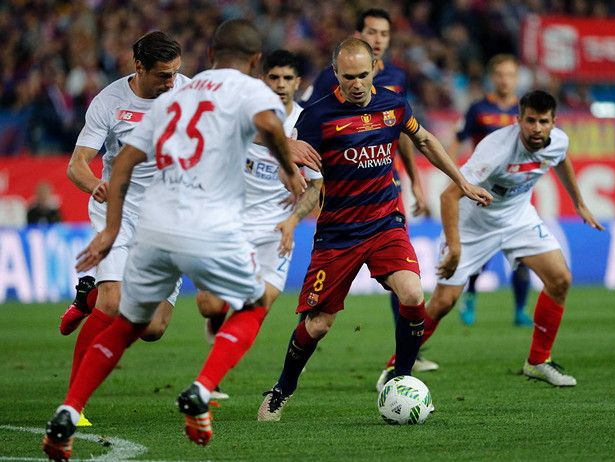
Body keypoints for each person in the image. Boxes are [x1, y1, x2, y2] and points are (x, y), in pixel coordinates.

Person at [42, 19, 304, 461]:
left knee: (138, 326)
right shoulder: (250, 91)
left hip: (154, 225)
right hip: (206, 223)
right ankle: (202, 390)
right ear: (256, 61)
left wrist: (109, 230)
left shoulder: (177, 97)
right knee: (253, 305)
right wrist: (291, 168)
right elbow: (268, 125)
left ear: (209, 55)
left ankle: (69, 411)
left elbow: (124, 160)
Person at [257, 38, 492, 422]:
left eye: (363, 75)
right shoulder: (317, 116)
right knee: (318, 325)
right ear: (335, 74)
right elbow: (292, 160)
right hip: (338, 233)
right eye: (348, 76)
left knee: (413, 292)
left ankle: (400, 379)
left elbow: (424, 140)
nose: (356, 83)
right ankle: (283, 388)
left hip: (385, 223)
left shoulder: (393, 104)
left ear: (374, 70)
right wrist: (290, 171)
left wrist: (461, 181)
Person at [379, 90, 603, 390]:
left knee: (560, 279)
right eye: (530, 121)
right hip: (473, 225)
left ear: (554, 122)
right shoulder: (495, 150)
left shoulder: (558, 141)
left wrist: (579, 203)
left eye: (543, 122)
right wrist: (455, 247)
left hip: (517, 218)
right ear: (518, 120)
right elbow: (449, 195)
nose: (536, 128)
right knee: (443, 302)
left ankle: (538, 361)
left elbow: (561, 159)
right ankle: (396, 366)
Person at [54, 31, 189, 428]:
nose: (171, 83)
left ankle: (86, 298)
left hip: (170, 219)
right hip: (121, 211)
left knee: (153, 329)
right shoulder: (110, 102)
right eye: (164, 75)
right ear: (139, 67)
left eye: (176, 73)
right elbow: (77, 164)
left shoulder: (189, 91)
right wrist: (95, 184)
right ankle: (73, 404)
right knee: (112, 303)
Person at [305, 7, 436, 372]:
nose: (378, 39)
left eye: (384, 34)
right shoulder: (327, 82)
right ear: (360, 34)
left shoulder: (395, 79)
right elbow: (311, 122)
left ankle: (406, 357)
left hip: (386, 188)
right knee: (321, 318)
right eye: (372, 32)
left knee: (406, 278)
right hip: (345, 196)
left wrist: (415, 182)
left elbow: (405, 132)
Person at [198, 49, 309, 401]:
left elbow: (317, 186)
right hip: (231, 225)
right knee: (210, 305)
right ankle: (216, 322)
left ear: (298, 83)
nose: (280, 85)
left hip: (276, 232)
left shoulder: (308, 123)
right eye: (273, 77)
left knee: (259, 304)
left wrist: (293, 219)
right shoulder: (245, 111)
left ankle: (208, 380)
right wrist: (284, 147)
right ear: (264, 80)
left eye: (287, 78)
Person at [449, 54, 532, 327]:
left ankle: (520, 311)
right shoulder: (478, 109)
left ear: (517, 78)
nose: (505, 80)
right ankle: (470, 295)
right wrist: (450, 172)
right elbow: (458, 140)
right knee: (480, 255)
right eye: (500, 75)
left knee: (522, 254)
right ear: (492, 78)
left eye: (511, 75)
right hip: (481, 191)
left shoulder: (525, 112)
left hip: (515, 192)